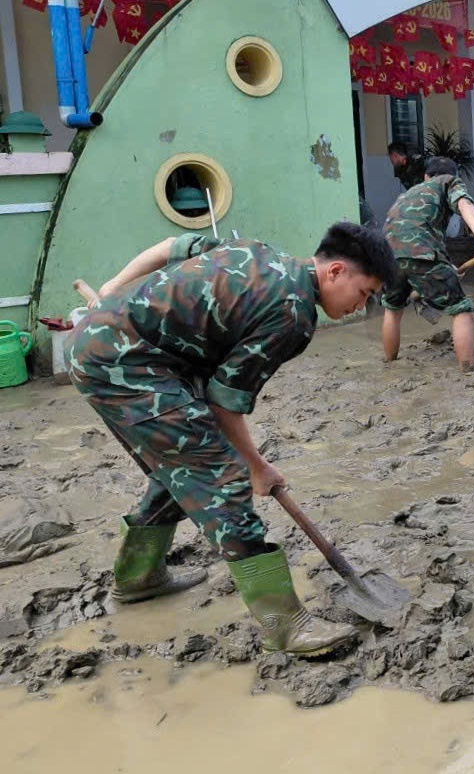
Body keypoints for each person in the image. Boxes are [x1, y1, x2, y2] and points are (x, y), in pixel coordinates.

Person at [68, 224, 398, 654]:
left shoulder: (256, 250)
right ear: (335, 271)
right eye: (365, 293)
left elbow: (170, 245)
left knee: (180, 466)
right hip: (127, 367)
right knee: (220, 478)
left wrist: (113, 287)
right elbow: (224, 404)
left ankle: (138, 578)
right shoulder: (293, 315)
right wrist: (256, 467)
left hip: (104, 347)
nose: (362, 306)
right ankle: (285, 626)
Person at [380, 156, 474, 371]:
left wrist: (447, 266)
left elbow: (419, 230)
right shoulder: (448, 181)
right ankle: (468, 369)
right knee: (461, 308)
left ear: (426, 176)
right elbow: (463, 202)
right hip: (421, 253)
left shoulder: (407, 194)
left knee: (392, 307)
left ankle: (389, 362)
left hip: (388, 256)